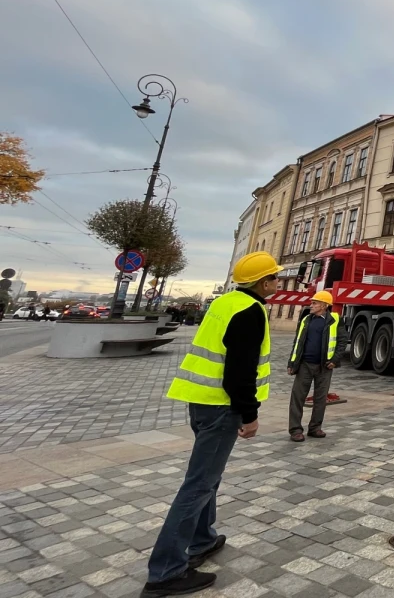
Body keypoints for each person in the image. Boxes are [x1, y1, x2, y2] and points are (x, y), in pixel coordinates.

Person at [141, 251, 281, 597]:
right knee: (199, 484)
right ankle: (165, 572)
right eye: (275, 278)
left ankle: (201, 539)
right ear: (264, 283)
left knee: (208, 478)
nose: (278, 282)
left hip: (202, 402)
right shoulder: (251, 312)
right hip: (223, 407)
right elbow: (239, 372)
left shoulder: (225, 303)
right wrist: (250, 414)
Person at [287, 290, 341, 442]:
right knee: (297, 397)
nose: (311, 305)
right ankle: (295, 430)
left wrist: (335, 360)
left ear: (324, 305)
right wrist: (292, 363)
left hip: (325, 367)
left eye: (314, 303)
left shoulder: (335, 320)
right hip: (304, 365)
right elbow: (297, 343)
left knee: (320, 398)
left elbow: (342, 342)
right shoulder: (305, 320)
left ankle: (315, 428)